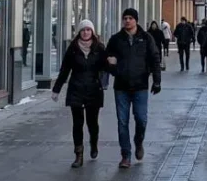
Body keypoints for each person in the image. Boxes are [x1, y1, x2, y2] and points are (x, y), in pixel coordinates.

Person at [107, 9, 161, 168]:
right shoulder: (116, 39)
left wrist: (157, 81)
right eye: (125, 18)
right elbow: (107, 58)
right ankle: (126, 155)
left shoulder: (146, 38)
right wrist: (113, 69)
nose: (127, 21)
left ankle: (138, 141)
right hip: (121, 87)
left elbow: (155, 59)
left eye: (130, 18)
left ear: (136, 20)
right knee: (122, 122)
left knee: (141, 119)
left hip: (140, 86)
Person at [53, 20, 109, 167]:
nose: (85, 33)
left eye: (88, 30)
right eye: (83, 30)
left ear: (92, 32)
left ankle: (94, 142)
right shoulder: (72, 49)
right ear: (79, 32)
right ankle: (78, 154)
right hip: (76, 89)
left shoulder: (99, 48)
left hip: (93, 89)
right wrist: (56, 89)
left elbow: (107, 67)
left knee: (92, 122)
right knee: (77, 123)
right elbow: (65, 70)